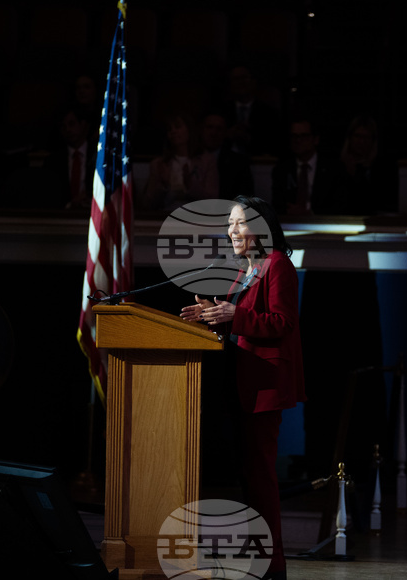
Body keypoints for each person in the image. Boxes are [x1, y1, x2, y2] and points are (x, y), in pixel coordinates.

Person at [180, 196, 306, 580]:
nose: (231, 230)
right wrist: (212, 316)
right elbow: (241, 324)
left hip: (263, 386)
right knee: (249, 476)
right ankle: (259, 559)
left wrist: (236, 315)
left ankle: (273, 567)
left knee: (261, 478)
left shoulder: (278, 264)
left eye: (239, 223)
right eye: (229, 224)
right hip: (239, 383)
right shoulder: (245, 270)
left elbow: (282, 322)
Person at [271, 117, 348, 215]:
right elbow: (277, 205)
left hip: (324, 224)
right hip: (290, 224)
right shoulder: (282, 170)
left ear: (315, 139)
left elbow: (339, 205)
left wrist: (311, 213)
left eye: (304, 136)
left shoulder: (334, 169)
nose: (298, 141)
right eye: (294, 136)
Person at [141, 112, 217, 211]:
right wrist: (163, 185)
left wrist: (190, 185)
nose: (173, 131)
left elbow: (212, 201)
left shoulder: (206, 161)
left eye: (177, 127)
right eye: (170, 129)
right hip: (165, 219)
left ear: (189, 130)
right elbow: (148, 204)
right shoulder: (159, 164)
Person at [339, 113, 398, 215]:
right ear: (350, 138)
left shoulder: (382, 169)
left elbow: (381, 203)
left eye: (366, 137)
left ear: (373, 140)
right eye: (357, 136)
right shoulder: (338, 167)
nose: (361, 142)